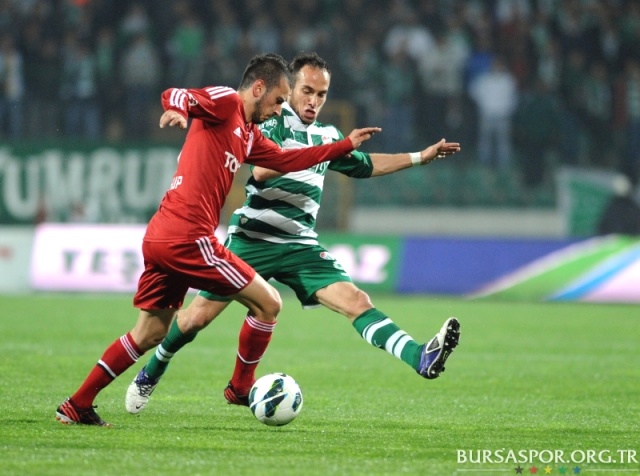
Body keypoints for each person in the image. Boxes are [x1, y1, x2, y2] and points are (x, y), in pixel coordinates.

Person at [55, 53, 381, 427]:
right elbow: (177, 94)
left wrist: (342, 146)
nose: (279, 110)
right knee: (269, 303)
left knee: (151, 331)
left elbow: (287, 161)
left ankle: (77, 404)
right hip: (188, 237)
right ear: (258, 88)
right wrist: (177, 109)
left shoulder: (248, 134)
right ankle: (240, 388)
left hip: (162, 235)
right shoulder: (226, 102)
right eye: (278, 100)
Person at [126, 52, 462, 414]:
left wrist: (420, 156)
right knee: (196, 318)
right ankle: (152, 370)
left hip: (300, 244)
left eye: (322, 95)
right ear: (291, 88)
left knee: (357, 301)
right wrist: (323, 151)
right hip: (252, 239)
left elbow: (366, 165)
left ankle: (420, 356)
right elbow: (260, 171)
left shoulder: (328, 135)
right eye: (307, 91)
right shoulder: (272, 117)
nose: (313, 101)